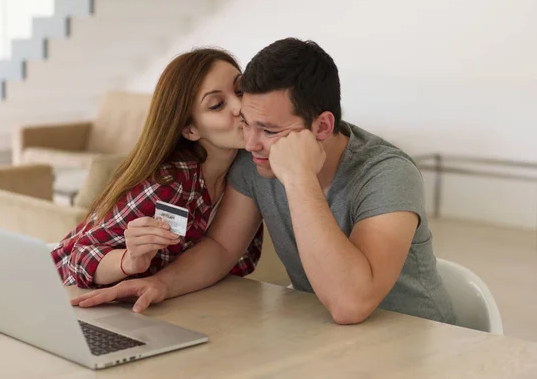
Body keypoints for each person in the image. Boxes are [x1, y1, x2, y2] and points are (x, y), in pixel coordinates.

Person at [72, 38, 456, 325]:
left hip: (421, 343)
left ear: (322, 126)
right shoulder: (257, 158)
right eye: (249, 124)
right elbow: (222, 247)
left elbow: (350, 304)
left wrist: (299, 178)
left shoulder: (388, 173)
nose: (252, 143)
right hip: (333, 342)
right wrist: (162, 284)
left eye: (269, 130)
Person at [51, 48, 263, 288]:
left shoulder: (250, 165)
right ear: (190, 130)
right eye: (217, 105)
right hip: (64, 291)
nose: (239, 107)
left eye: (240, 90)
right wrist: (127, 261)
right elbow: (77, 258)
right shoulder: (168, 184)